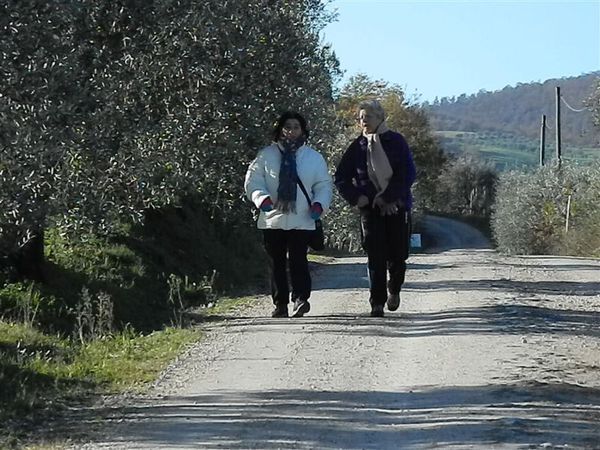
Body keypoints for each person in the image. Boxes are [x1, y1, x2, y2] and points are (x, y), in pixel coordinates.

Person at [245, 111, 332, 318]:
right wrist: (261, 198)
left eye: (296, 127)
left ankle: (301, 299)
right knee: (276, 263)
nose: (291, 131)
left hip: (302, 218)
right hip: (272, 218)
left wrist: (319, 205)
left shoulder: (313, 158)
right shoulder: (266, 155)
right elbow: (253, 181)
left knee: (299, 261)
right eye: (287, 127)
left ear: (303, 131)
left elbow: (323, 185)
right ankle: (280, 304)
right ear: (280, 130)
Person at [334, 99, 416, 317]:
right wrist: (357, 198)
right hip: (370, 210)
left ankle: (394, 289)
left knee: (398, 256)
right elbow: (341, 177)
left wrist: (389, 198)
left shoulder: (396, 142)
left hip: (397, 207)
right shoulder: (357, 147)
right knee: (375, 255)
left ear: (380, 118)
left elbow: (407, 174)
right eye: (361, 118)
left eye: (368, 117)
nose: (363, 122)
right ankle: (376, 303)